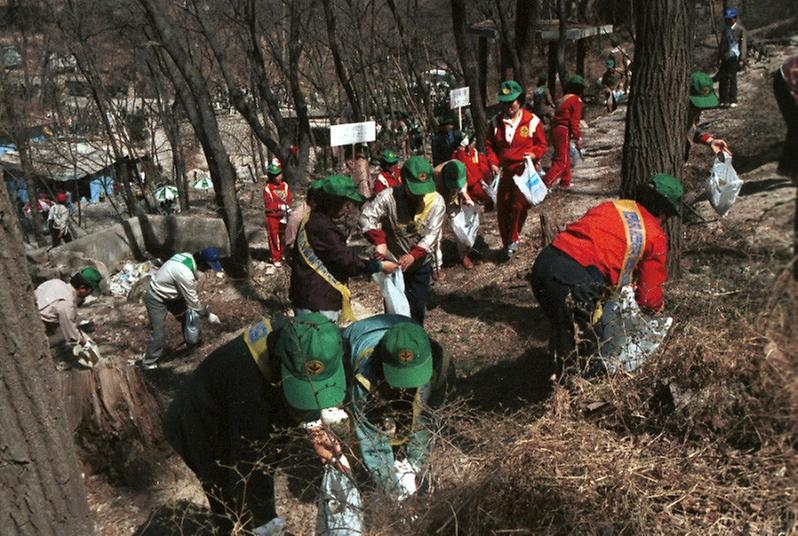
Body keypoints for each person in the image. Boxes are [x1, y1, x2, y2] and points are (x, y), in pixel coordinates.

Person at [165, 313, 348, 535]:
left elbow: (307, 383)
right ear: (281, 366)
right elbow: (252, 462)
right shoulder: (248, 386)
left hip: (235, 402)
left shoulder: (305, 338)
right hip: (196, 421)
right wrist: (265, 520)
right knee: (230, 496)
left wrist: (316, 431)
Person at [528, 174, 683, 370]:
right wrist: (655, 309)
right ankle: (571, 392)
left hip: (544, 263)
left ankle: (556, 377)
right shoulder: (654, 235)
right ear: (663, 211)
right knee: (584, 357)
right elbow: (649, 298)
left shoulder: (610, 207)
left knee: (564, 331)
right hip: (573, 281)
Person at [343, 315, 450, 498]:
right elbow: (371, 437)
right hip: (357, 336)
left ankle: (403, 458)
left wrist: (414, 464)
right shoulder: (365, 375)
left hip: (406, 326)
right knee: (368, 417)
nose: (405, 386)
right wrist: (391, 489)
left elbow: (427, 415)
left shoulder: (441, 362)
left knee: (410, 407)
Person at [290, 175, 399, 323]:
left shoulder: (314, 220)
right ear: (331, 202)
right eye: (345, 203)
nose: (348, 208)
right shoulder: (322, 227)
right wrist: (379, 266)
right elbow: (346, 261)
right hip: (318, 300)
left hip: (310, 295)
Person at [359, 156, 445, 324]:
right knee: (394, 309)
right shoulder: (387, 197)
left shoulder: (436, 202)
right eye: (414, 191)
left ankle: (415, 339)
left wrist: (414, 255)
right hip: (393, 264)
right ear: (403, 183)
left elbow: (432, 235)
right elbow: (366, 217)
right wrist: (380, 241)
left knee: (417, 308)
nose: (419, 196)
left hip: (421, 264)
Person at [485, 80, 548, 259]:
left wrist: (535, 154)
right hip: (505, 172)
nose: (508, 106)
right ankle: (507, 242)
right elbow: (490, 145)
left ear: (519, 101)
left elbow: (542, 144)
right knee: (503, 206)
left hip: (523, 170)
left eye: (511, 102)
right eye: (505, 102)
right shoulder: (496, 122)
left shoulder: (532, 121)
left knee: (519, 205)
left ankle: (513, 239)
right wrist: (493, 162)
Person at [141, 248, 223, 369]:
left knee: (189, 318)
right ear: (201, 263)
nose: (208, 270)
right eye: (208, 267)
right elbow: (195, 305)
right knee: (158, 333)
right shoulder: (185, 274)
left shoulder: (186, 257)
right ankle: (148, 364)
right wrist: (209, 315)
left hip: (173, 295)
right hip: (156, 298)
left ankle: (194, 346)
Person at [35, 268, 103, 365]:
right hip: (37, 327)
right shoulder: (67, 303)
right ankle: (43, 353)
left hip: (37, 314)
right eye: (89, 291)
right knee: (65, 336)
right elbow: (72, 335)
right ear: (82, 288)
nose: (89, 295)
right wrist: (86, 344)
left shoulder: (56, 282)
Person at [433, 159, 476, 269]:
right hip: (437, 201)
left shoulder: (461, 168)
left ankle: (463, 255)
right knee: (436, 232)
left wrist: (465, 196)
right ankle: (436, 265)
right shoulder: (435, 175)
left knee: (460, 226)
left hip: (452, 201)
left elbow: (462, 186)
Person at [545, 75, 585, 190]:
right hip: (563, 129)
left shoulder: (563, 98)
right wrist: (578, 137)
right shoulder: (576, 100)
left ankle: (565, 181)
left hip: (555, 129)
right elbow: (574, 121)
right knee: (562, 161)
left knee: (564, 155)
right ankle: (545, 184)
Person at [686, 72, 732, 161]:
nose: (698, 111)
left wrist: (710, 141)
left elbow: (689, 128)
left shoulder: (690, 114)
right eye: (695, 106)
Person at [263, 161, 293, 267]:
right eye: (276, 175)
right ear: (271, 177)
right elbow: (269, 203)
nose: (279, 177)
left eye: (280, 174)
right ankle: (275, 257)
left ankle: (283, 253)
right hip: (272, 217)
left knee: (284, 236)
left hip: (284, 215)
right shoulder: (268, 188)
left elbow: (289, 197)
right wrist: (279, 206)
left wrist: (287, 205)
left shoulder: (284, 185)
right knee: (274, 237)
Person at [452, 133, 493, 209]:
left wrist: (483, 180)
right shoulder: (458, 154)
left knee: (488, 199)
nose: (474, 143)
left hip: (477, 183)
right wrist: (461, 148)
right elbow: (461, 164)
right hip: (466, 185)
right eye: (472, 142)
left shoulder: (475, 153)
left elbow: (482, 168)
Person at [773, 56, 798, 181]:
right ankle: (789, 168)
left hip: (791, 79)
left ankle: (789, 168)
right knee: (795, 125)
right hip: (784, 81)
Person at [717, 7, 747, 108]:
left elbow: (743, 44)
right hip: (725, 56)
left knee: (732, 78)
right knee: (723, 78)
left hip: (735, 56)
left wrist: (742, 58)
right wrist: (719, 56)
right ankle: (723, 99)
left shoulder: (740, 29)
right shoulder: (725, 30)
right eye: (727, 19)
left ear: (735, 18)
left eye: (730, 19)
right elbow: (722, 44)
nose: (728, 21)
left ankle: (732, 99)